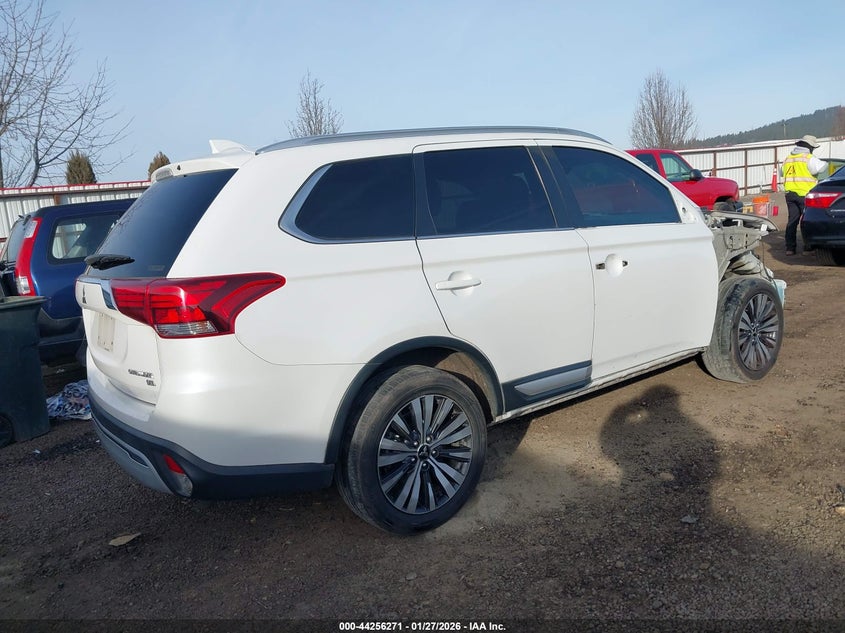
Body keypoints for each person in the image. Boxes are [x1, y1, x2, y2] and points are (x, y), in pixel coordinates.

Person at [780, 135, 828, 255]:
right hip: (805, 195)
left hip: (790, 194)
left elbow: (781, 172)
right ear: (810, 147)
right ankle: (808, 247)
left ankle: (790, 248)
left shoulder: (788, 159)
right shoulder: (808, 158)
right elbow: (822, 167)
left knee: (792, 221)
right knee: (807, 221)